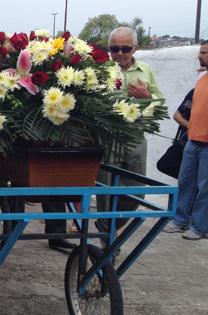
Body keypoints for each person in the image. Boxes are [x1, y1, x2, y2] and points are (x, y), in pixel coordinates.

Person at [95, 26, 166, 234]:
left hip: (135, 137)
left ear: (134, 48)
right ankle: (106, 245)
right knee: (105, 196)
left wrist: (146, 100)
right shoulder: (100, 70)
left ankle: (108, 227)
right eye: (114, 48)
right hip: (107, 138)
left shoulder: (145, 70)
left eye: (124, 49)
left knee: (136, 194)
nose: (119, 54)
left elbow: (160, 103)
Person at [163, 41, 208, 240]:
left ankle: (199, 227)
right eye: (200, 53)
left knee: (204, 188)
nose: (200, 56)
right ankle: (180, 219)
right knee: (185, 182)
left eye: (205, 53)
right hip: (193, 141)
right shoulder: (201, 78)